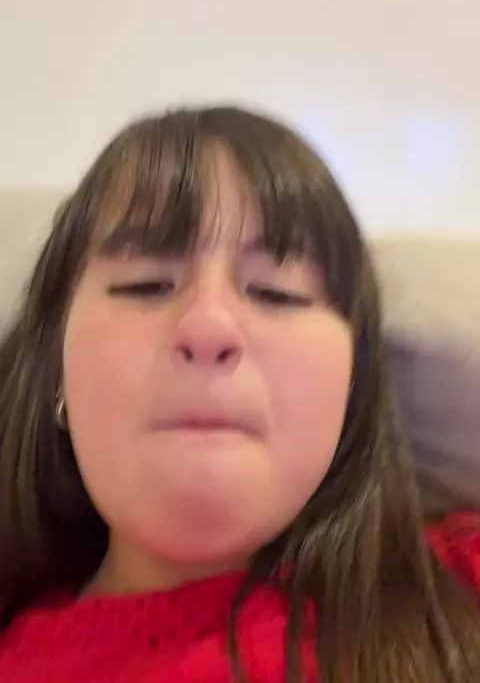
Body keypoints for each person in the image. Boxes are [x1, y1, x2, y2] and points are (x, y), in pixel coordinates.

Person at [0, 105, 478, 683]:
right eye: (145, 285)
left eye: (277, 293)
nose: (208, 329)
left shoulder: (461, 581)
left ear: (353, 385)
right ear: (55, 371)